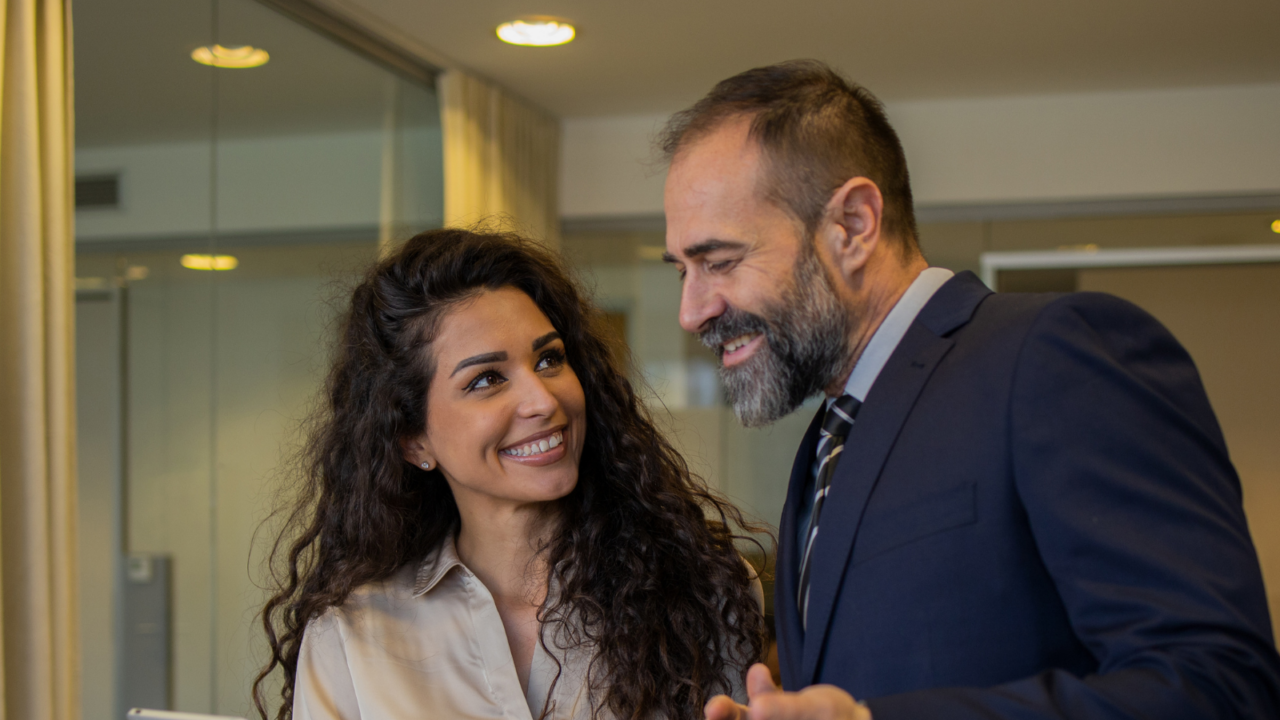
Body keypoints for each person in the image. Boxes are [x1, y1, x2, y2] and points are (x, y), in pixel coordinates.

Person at [658, 60, 1280, 719]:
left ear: (854, 225)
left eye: (720, 262)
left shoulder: (1055, 353)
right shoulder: (827, 440)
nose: (692, 311)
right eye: (681, 272)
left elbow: (1219, 686)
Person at [252, 228, 767, 720]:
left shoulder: (703, 593)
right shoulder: (352, 635)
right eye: (487, 379)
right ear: (414, 439)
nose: (543, 400)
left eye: (548, 360)